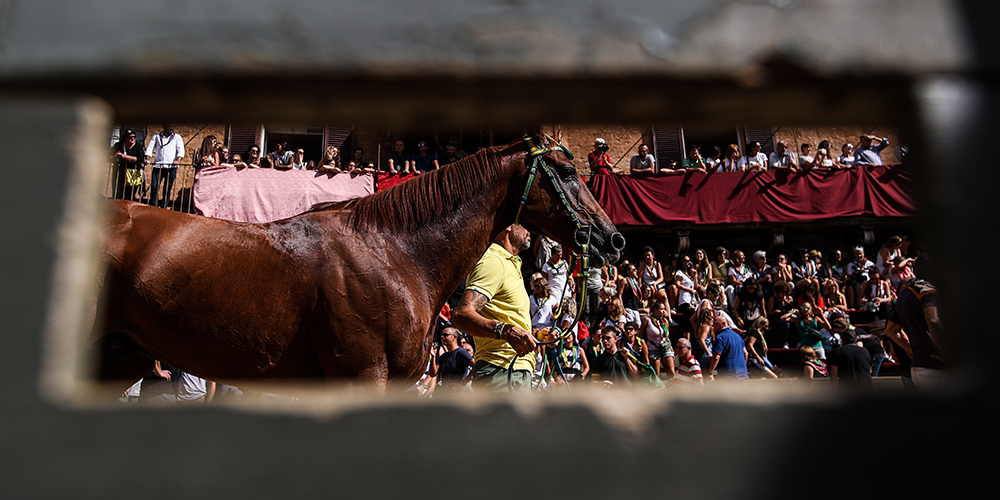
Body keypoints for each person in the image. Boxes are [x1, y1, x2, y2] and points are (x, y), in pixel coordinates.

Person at [451, 224, 538, 393]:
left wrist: (537, 335)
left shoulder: (510, 263)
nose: (528, 230)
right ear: (507, 226)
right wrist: (505, 331)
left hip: (511, 371)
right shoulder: (493, 261)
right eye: (522, 223)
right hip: (501, 370)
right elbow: (461, 315)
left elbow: (508, 318)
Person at [885, 257, 946, 390]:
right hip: (936, 368)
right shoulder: (929, 291)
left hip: (918, 366)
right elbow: (933, 319)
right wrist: (945, 352)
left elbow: (890, 330)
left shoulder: (906, 292)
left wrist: (913, 349)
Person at [144, 124, 185, 209]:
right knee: (154, 187)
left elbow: (180, 150)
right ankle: (154, 206)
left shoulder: (177, 137)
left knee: (167, 189)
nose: (171, 128)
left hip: (171, 167)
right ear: (164, 126)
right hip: (158, 166)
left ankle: (164, 207)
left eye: (173, 126)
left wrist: (178, 160)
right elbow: (150, 147)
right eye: (169, 126)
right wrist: (147, 157)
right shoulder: (156, 136)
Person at [829, 319, 873, 388]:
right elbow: (870, 370)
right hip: (866, 386)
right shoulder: (865, 351)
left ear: (842, 340)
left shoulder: (838, 351)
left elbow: (834, 370)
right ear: (855, 340)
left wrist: (834, 386)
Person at [706, 316, 749, 381]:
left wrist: (710, 372)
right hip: (742, 375)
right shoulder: (738, 336)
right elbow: (745, 353)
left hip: (728, 376)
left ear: (723, 324)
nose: (713, 326)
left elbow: (716, 357)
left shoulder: (720, 338)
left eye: (715, 323)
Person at [640, 300, 675, 378]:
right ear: (655, 309)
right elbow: (640, 335)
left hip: (665, 346)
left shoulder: (664, 321)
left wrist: (671, 347)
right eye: (661, 309)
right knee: (656, 374)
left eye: (664, 309)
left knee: (672, 372)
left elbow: (666, 336)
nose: (663, 311)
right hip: (653, 348)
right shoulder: (647, 320)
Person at [109, 128, 144, 201]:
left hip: (133, 173)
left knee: (130, 194)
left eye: (134, 137)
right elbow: (109, 157)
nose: (133, 139)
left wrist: (125, 157)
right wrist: (116, 157)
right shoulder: (118, 145)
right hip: (119, 172)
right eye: (130, 137)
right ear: (125, 138)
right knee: (117, 192)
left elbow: (140, 159)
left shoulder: (139, 146)